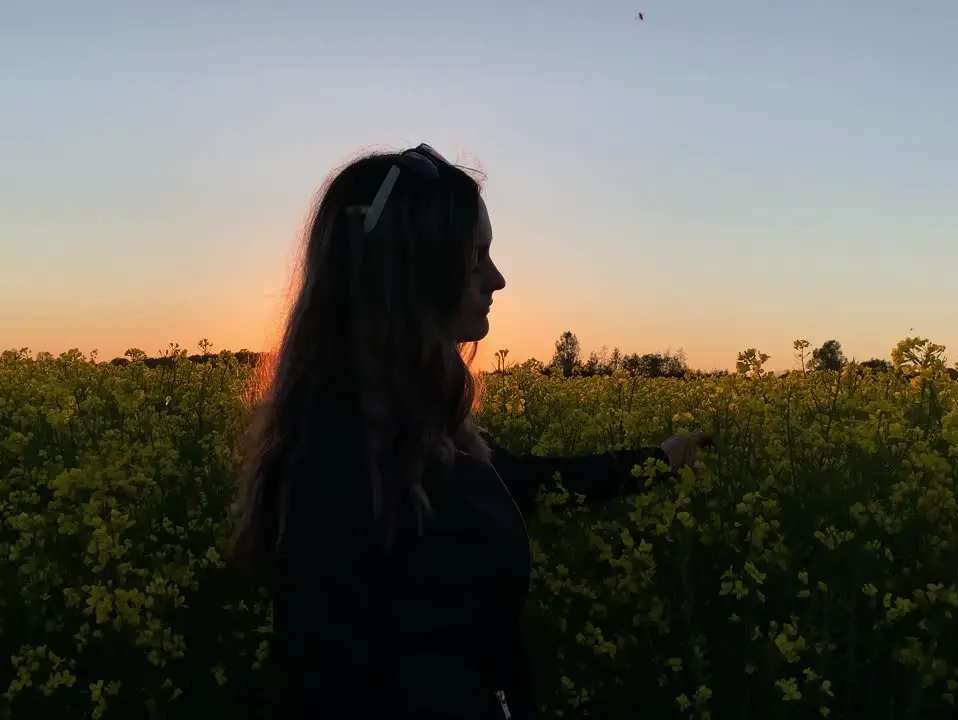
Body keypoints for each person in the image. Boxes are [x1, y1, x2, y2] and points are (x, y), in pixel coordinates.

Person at [229, 143, 713, 719]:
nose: (497, 279)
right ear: (417, 268)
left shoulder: (406, 433)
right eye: (476, 255)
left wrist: (655, 460)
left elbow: (524, 480)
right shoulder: (340, 466)